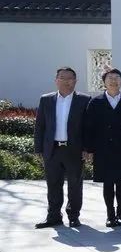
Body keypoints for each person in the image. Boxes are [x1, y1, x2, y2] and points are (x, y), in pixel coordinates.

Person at [33, 67, 90, 228]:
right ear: (56, 80)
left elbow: (88, 127)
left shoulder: (84, 100)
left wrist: (87, 149)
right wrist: (38, 149)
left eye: (70, 78)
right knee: (53, 184)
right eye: (62, 78)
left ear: (75, 81)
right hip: (52, 149)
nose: (66, 81)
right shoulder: (46, 99)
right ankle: (53, 216)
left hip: (74, 150)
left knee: (75, 185)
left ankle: (73, 216)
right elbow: (40, 125)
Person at [83, 68, 121, 228]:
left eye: (117, 78)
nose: (113, 81)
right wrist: (89, 149)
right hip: (103, 149)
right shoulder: (96, 102)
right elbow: (89, 127)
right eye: (110, 78)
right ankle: (110, 215)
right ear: (104, 82)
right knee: (107, 183)